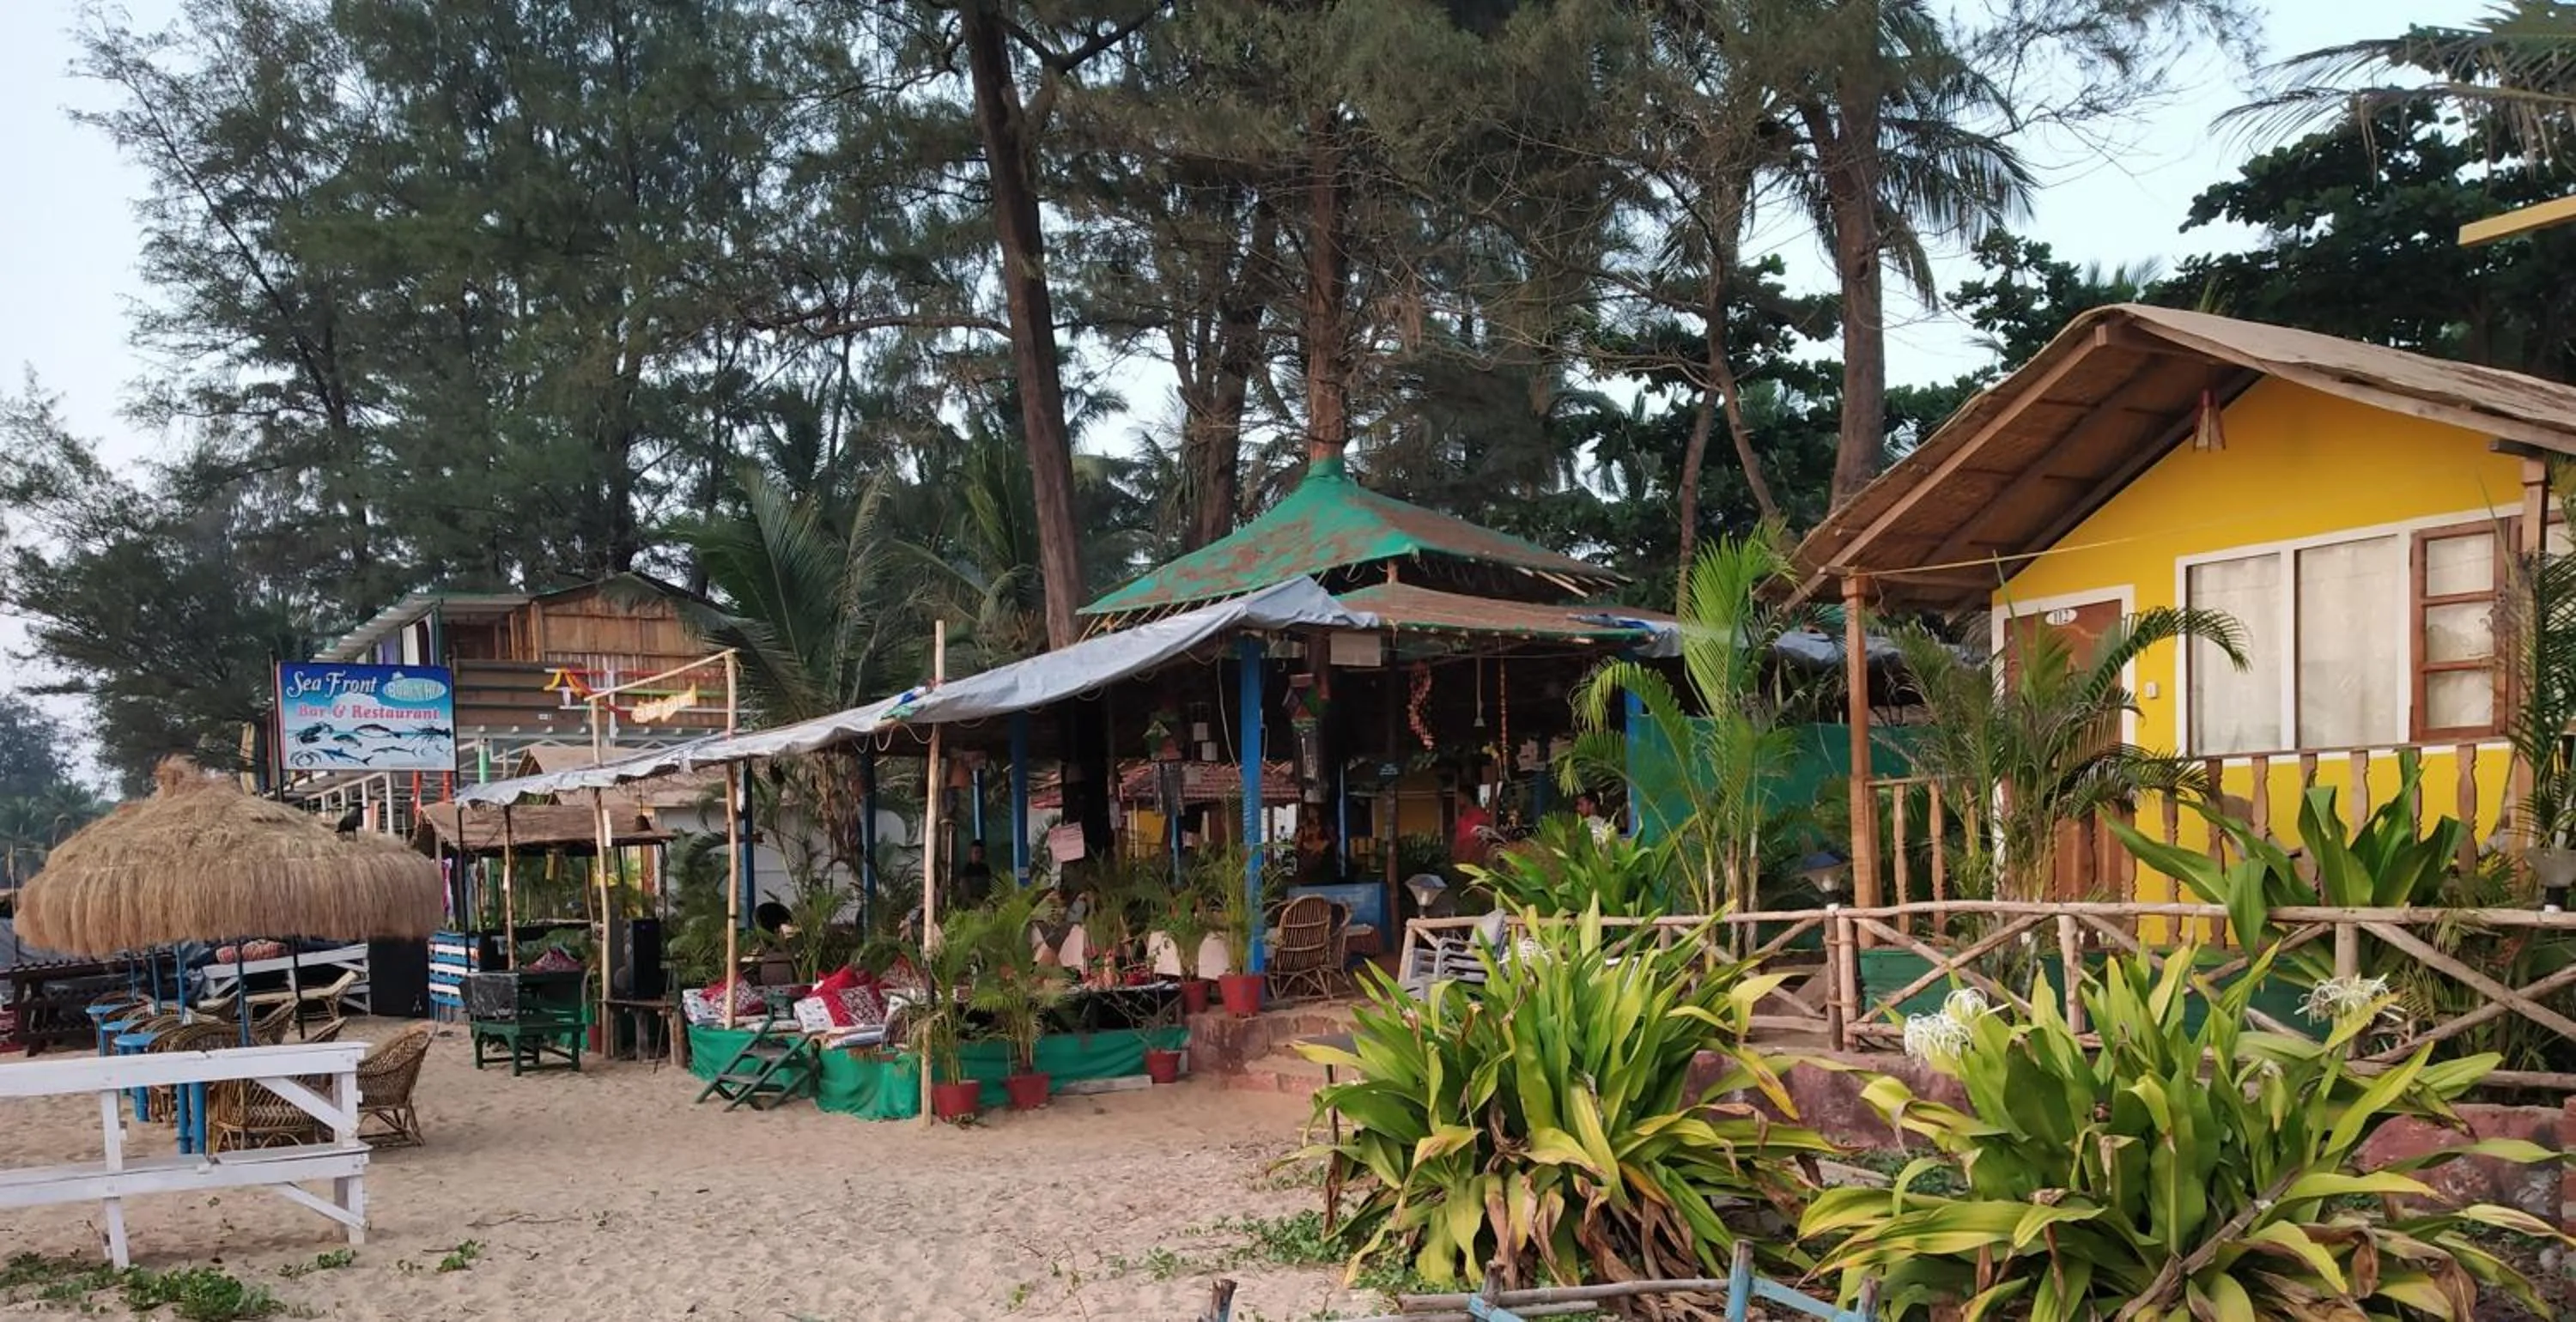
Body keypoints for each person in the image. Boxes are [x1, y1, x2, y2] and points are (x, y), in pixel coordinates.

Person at [954, 839, 995, 908]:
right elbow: (965, 891)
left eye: (980, 852)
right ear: (971, 854)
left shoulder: (985, 869)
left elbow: (990, 885)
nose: (978, 855)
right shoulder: (966, 870)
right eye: (976, 852)